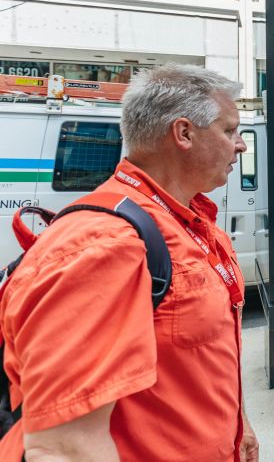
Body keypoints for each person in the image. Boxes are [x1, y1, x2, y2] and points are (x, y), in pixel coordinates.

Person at [0, 64, 258, 461]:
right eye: (229, 130)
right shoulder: (105, 245)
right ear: (184, 133)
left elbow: (199, 363)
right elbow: (64, 448)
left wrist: (239, 425)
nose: (240, 145)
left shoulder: (188, 218)